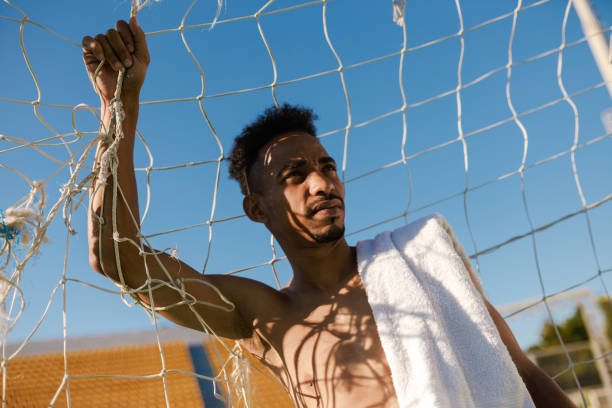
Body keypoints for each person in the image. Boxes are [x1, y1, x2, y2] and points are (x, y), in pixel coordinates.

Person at [83, 18, 576, 408]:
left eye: (326, 166)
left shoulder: (420, 258)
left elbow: (520, 373)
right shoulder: (265, 317)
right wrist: (119, 104)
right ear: (256, 209)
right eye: (294, 175)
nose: (321, 182)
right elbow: (119, 260)